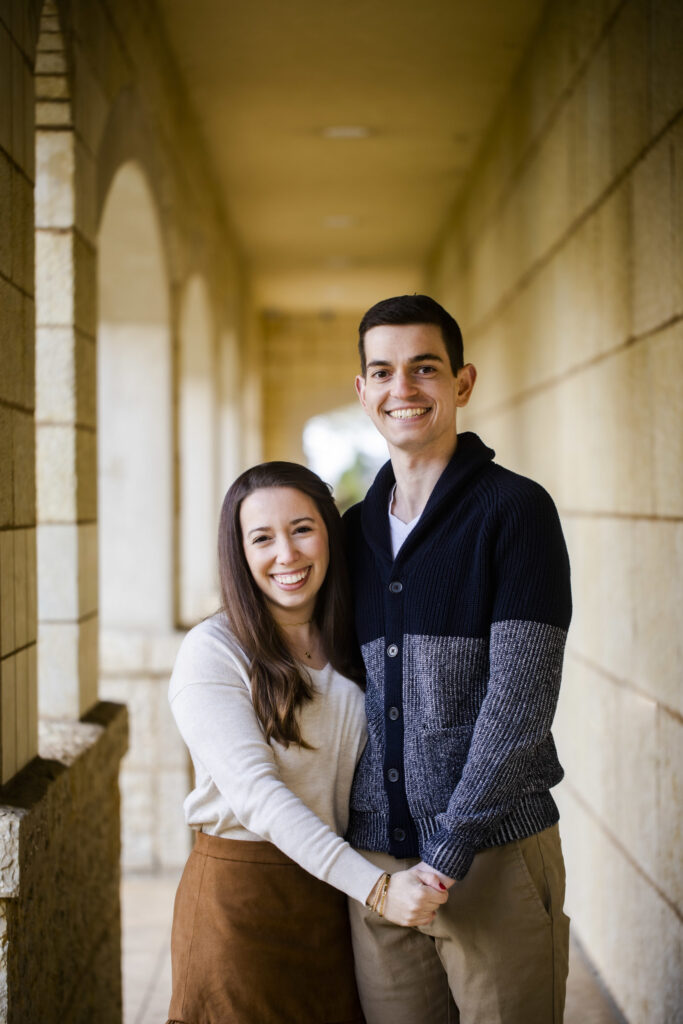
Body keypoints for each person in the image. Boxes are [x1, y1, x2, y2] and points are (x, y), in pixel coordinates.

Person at [343, 295, 572, 1024]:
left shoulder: (515, 510)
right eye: (381, 371)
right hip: (380, 870)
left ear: (462, 383)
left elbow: (520, 702)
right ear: (361, 390)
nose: (401, 389)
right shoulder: (351, 534)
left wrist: (447, 852)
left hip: (493, 856)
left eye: (424, 368)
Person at [166, 461, 447, 1024]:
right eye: (262, 538)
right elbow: (257, 798)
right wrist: (377, 890)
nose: (287, 555)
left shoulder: (352, 637)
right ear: (239, 554)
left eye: (301, 528)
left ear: (329, 532)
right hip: (243, 899)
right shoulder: (212, 651)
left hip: (331, 891)